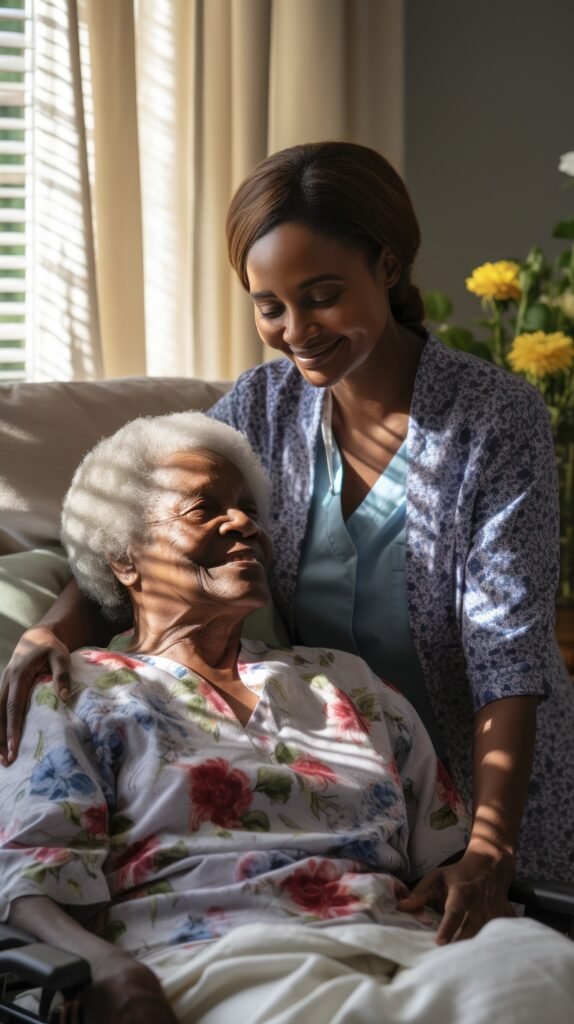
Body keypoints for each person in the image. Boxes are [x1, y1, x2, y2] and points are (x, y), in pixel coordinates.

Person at [2, 142, 574, 930]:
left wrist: (488, 850)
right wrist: (50, 630)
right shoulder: (262, 408)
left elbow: (508, 657)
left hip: (488, 805)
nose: (296, 330)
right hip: (346, 795)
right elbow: (145, 522)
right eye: (270, 306)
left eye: (323, 296)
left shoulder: (494, 420)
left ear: (389, 264)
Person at [0, 411, 480, 1022]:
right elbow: (29, 882)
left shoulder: (347, 680)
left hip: (409, 947)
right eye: (204, 509)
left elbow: (447, 853)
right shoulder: (79, 691)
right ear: (125, 559)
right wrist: (112, 971)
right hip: (210, 958)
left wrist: (460, 879)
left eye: (250, 509)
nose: (246, 523)